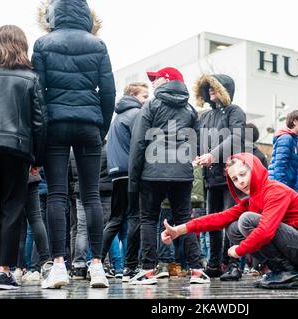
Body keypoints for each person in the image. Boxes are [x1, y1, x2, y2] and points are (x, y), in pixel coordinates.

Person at [33, 0, 116, 289]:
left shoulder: (43, 43)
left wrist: (42, 129)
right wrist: (101, 125)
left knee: (56, 195)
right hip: (89, 124)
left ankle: (58, 266)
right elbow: (108, 90)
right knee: (90, 195)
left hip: (55, 123)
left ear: (53, 14)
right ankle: (97, 266)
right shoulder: (97, 44)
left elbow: (37, 91)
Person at [162, 153, 298, 289]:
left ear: (254, 170)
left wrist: (240, 250)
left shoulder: (275, 191)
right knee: (233, 227)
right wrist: (179, 230)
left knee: (247, 219)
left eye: (243, 174)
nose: (240, 181)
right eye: (234, 179)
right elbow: (218, 218)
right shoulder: (251, 201)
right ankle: (281, 271)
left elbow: (266, 231)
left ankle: (289, 273)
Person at [0, 25, 47, 290]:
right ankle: (5, 271)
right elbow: (40, 123)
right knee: (12, 210)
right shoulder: (30, 79)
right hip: (17, 151)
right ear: (22, 46)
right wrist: (37, 159)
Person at [128, 67, 209, 285]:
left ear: (167, 80)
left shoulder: (151, 106)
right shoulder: (191, 109)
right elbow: (196, 143)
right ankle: (197, 271)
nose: (153, 83)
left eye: (156, 79)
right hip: (182, 173)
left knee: (148, 219)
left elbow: (138, 143)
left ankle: (147, 271)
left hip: (152, 172)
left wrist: (133, 179)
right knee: (184, 219)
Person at [193, 73, 247, 281]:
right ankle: (214, 264)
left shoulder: (235, 111)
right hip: (210, 177)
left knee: (232, 221)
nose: (211, 91)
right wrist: (197, 155)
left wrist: (213, 155)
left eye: (215, 87)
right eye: (208, 88)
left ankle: (233, 264)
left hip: (230, 177)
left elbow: (237, 137)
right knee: (212, 222)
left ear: (225, 89)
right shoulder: (205, 116)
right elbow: (199, 141)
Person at [104, 82, 149, 281]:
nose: (147, 100)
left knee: (115, 220)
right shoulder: (136, 115)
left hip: (117, 172)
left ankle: (95, 259)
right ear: (133, 95)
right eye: (144, 96)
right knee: (134, 218)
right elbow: (141, 145)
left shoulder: (118, 116)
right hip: (130, 172)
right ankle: (132, 266)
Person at [268, 110, 298, 189]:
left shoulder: (292, 139)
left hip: (285, 184)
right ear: (295, 122)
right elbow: (279, 166)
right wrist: (281, 188)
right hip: (281, 186)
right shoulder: (286, 138)